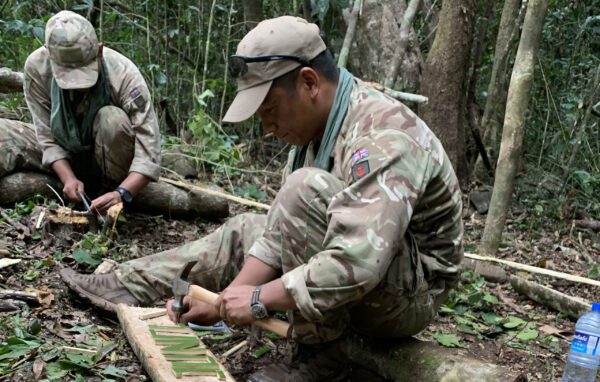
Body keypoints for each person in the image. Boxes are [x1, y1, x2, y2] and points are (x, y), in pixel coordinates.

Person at [61, 16, 463, 381]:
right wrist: (223, 303)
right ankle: (128, 284)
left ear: (309, 83)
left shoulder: (382, 136)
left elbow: (355, 264)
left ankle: (324, 357)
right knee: (249, 228)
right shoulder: (315, 131)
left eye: (270, 109)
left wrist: (256, 301)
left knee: (302, 189)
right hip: (371, 272)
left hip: (410, 296)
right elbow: (277, 234)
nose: (268, 127)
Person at [3, 10, 161, 213]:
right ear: (49, 56)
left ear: (100, 51)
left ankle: (106, 191)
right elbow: (45, 134)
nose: (77, 86)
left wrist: (122, 193)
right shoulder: (37, 67)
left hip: (111, 162)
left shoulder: (123, 74)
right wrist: (68, 178)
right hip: (65, 154)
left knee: (111, 120)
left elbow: (149, 151)